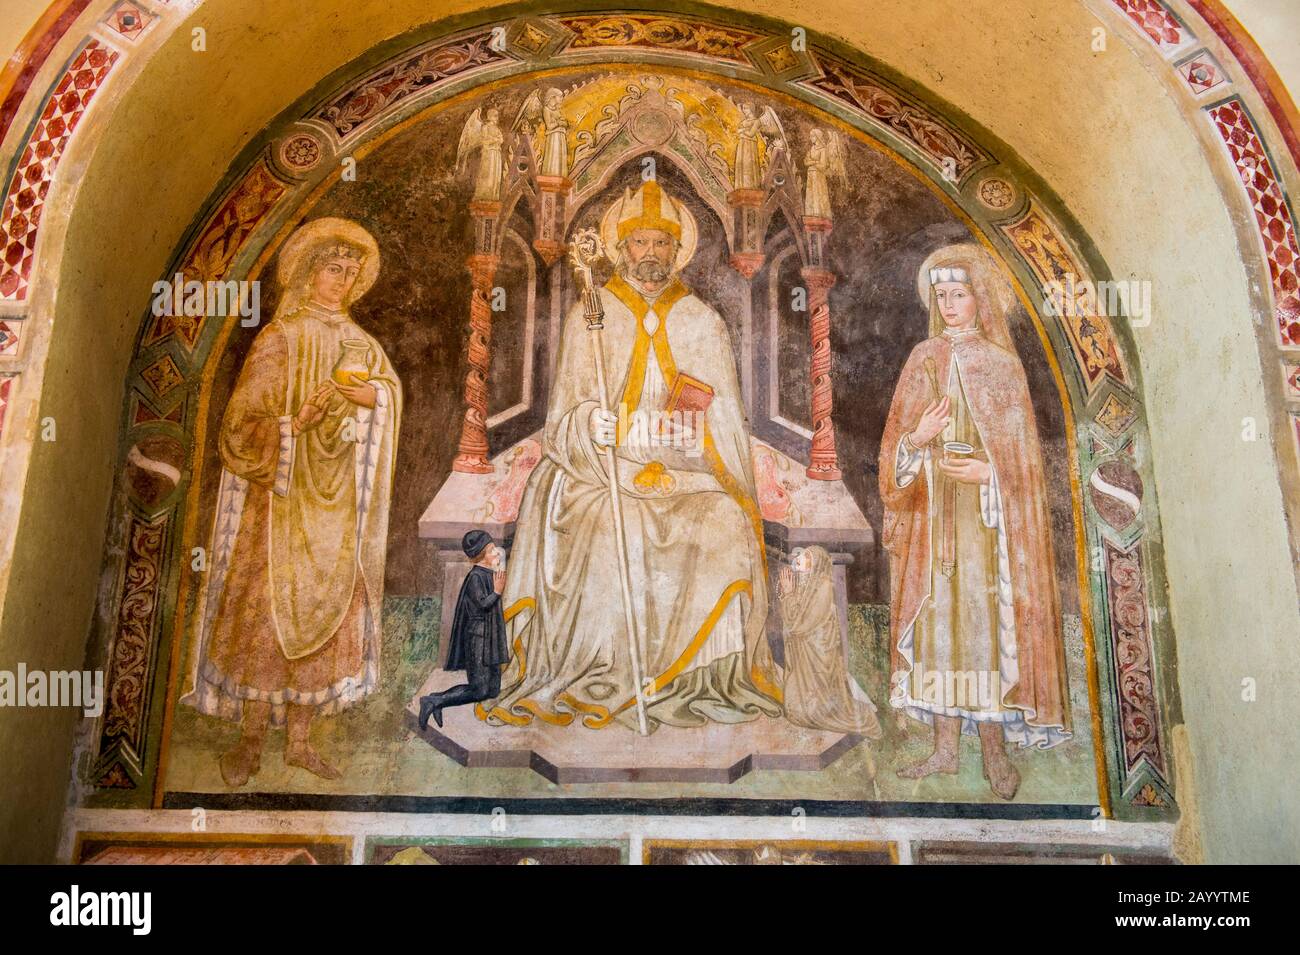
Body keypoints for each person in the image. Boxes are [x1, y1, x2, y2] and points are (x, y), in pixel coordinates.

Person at [480, 178, 782, 731]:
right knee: (591, 525)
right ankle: (598, 668)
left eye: (662, 244)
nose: (650, 254)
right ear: (622, 249)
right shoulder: (591, 315)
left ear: (678, 251)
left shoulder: (702, 322)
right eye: (640, 242)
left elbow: (722, 426)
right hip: (597, 474)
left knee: (725, 521)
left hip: (681, 472)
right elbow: (561, 426)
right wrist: (588, 425)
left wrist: (677, 442)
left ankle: (695, 678)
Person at [181, 217, 402, 786]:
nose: (345, 281)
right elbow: (238, 427)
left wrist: (371, 397)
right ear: (308, 274)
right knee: (266, 616)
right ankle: (251, 740)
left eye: (353, 273)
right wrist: (291, 425)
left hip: (337, 506)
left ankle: (301, 742)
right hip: (278, 504)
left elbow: (387, 399)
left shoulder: (364, 345)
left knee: (326, 614)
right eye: (335, 269)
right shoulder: (279, 338)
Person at [878, 242, 1070, 800]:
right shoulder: (923, 359)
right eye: (941, 296)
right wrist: (920, 439)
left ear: (980, 300)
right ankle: (943, 750)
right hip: (933, 520)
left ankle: (993, 754)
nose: (948, 304)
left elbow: (1026, 466)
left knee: (984, 635)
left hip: (988, 532)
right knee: (938, 631)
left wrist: (990, 475)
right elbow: (895, 447)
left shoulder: (1003, 367)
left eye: (958, 295)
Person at [778, 546, 882, 737]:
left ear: (817, 563)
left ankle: (863, 717)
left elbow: (800, 625)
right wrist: (789, 593)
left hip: (819, 656)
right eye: (801, 555)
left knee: (811, 713)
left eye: (806, 557)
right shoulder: (804, 583)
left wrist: (789, 593)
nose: (800, 559)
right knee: (795, 711)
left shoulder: (824, 586)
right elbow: (793, 619)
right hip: (804, 657)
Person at [418, 531, 508, 731]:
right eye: (492, 550)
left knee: (492, 690)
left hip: (490, 636)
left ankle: (436, 700)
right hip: (478, 637)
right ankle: (433, 701)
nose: (497, 554)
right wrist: (497, 592)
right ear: (482, 554)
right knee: (479, 690)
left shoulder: (490, 574)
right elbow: (483, 605)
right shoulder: (475, 576)